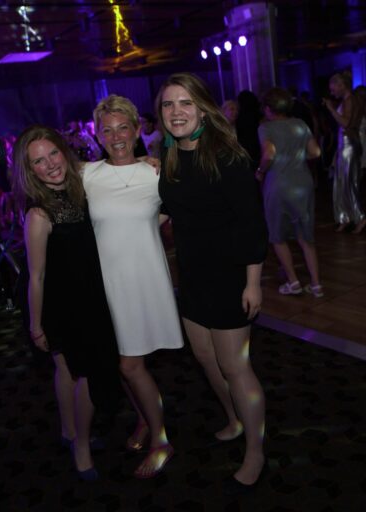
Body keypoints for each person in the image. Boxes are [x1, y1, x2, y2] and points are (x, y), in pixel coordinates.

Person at [156, 73, 268, 493]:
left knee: (235, 366)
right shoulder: (169, 156)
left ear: (203, 109)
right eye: (168, 104)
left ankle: (255, 450)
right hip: (192, 277)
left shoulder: (228, 157)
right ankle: (235, 419)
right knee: (206, 359)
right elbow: (171, 208)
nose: (176, 112)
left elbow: (253, 225)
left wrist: (253, 283)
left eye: (186, 103)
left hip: (229, 277)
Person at [11, 125, 122, 481]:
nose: (50, 165)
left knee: (67, 369)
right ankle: (82, 446)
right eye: (38, 161)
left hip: (90, 293)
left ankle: (68, 430)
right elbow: (36, 277)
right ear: (30, 171)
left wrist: (148, 161)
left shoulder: (81, 187)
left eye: (53, 154)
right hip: (59, 303)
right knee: (83, 372)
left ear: (64, 151)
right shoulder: (39, 214)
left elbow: (114, 165)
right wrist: (35, 326)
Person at [82, 94, 184, 479]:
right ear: (97, 135)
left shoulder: (156, 174)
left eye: (123, 128)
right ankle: (144, 419)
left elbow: (176, 210)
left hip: (144, 280)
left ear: (137, 130)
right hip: (106, 285)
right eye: (107, 130)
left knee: (130, 363)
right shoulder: (87, 175)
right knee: (121, 362)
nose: (116, 136)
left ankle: (161, 439)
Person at [257, 87, 323, 298]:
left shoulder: (266, 128)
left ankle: (293, 282)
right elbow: (315, 152)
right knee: (306, 236)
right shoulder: (300, 124)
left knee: (277, 236)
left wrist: (260, 171)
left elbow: (269, 154)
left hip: (279, 183)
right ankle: (316, 285)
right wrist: (297, 156)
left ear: (268, 109)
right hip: (303, 183)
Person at [324, 70, 366, 234]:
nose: (332, 93)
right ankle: (345, 217)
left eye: (333, 89)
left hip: (348, 144)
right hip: (347, 143)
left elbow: (345, 123)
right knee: (343, 182)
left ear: (342, 85)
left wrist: (331, 109)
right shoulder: (354, 99)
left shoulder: (349, 100)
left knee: (348, 183)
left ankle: (361, 218)